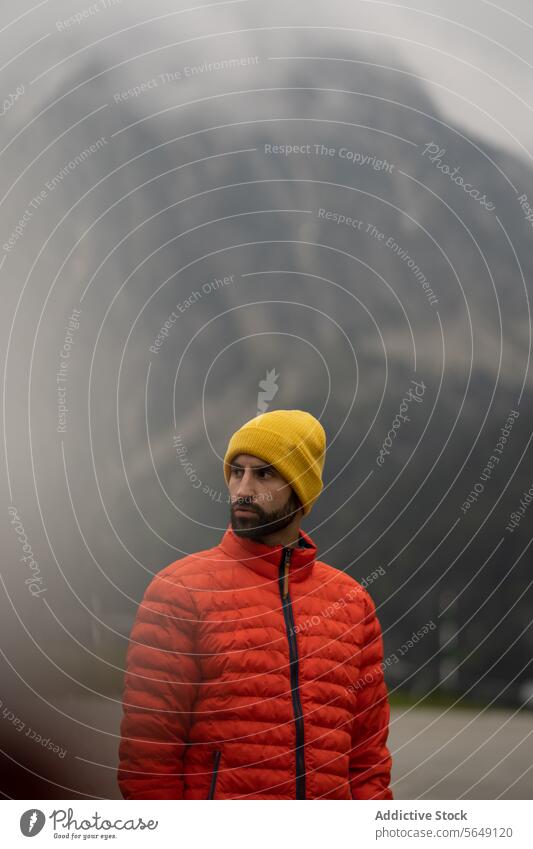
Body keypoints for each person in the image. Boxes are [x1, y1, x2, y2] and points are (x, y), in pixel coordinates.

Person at [117, 409, 393, 799]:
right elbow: (148, 759)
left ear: (301, 488)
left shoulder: (352, 602)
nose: (244, 488)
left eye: (264, 473)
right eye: (236, 472)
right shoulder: (180, 591)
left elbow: (368, 759)